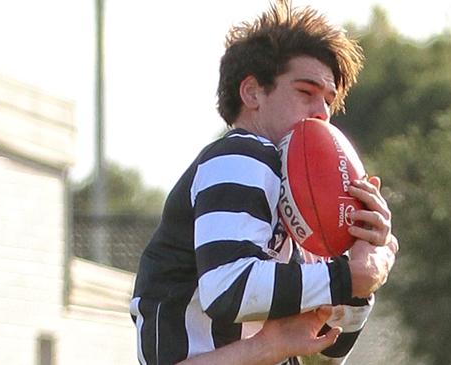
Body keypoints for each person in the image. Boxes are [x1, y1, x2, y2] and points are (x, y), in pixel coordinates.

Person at [130, 1, 399, 364]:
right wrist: (351, 275)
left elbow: (327, 347)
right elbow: (229, 287)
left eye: (329, 100)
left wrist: (363, 260)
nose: (321, 112)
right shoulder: (242, 153)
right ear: (252, 93)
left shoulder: (290, 186)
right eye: (306, 92)